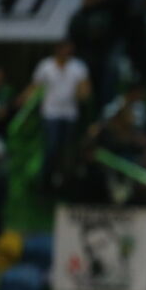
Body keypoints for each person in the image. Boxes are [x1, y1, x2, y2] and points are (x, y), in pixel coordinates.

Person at [19, 41, 91, 187]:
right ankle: (46, 178)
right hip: (50, 113)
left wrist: (82, 92)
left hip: (70, 114)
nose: (67, 51)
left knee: (66, 149)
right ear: (58, 49)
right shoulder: (46, 66)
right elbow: (35, 86)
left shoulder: (78, 67)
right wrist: (22, 99)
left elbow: (85, 91)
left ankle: (64, 180)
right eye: (65, 48)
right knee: (51, 146)